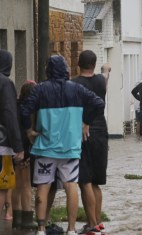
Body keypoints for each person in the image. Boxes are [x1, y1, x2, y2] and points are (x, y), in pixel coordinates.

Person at [20, 55, 105, 235]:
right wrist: (86, 122)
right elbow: (99, 103)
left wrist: (29, 131)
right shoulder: (77, 89)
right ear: (66, 70)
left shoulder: (40, 90)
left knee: (43, 186)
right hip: (70, 148)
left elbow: (24, 109)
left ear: (48, 70)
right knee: (71, 186)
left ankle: (41, 229)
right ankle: (72, 229)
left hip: (44, 148)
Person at [73, 50, 108, 234]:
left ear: (78, 64)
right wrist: (106, 68)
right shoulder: (101, 81)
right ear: (94, 65)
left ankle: (91, 225)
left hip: (83, 133)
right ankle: (98, 222)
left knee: (84, 181)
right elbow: (106, 71)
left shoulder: (74, 84)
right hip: (102, 131)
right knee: (95, 182)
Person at [0, 49, 24, 222]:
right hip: (2, 144)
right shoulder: (5, 83)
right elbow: (10, 114)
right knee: (2, 186)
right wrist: (18, 146)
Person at [12, 80, 38, 230]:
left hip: (14, 147)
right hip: (26, 149)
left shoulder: (15, 106)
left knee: (15, 185)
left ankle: (17, 219)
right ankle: (28, 217)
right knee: (26, 184)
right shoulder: (30, 110)